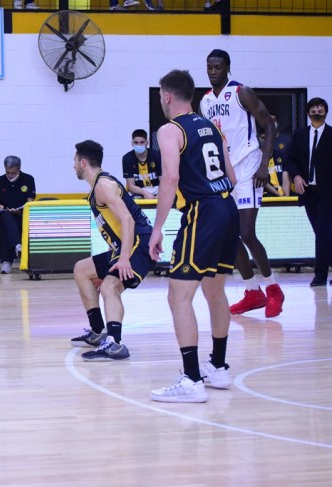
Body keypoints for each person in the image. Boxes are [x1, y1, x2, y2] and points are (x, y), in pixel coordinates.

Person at [149, 69, 238, 403]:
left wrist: (157, 228)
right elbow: (231, 176)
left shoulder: (170, 130)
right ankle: (218, 367)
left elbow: (170, 178)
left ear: (167, 96)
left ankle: (191, 380)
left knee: (178, 296)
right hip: (227, 207)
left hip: (203, 212)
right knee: (215, 291)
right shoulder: (212, 127)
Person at [200, 48, 284, 318]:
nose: (213, 71)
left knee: (246, 232)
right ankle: (252, 292)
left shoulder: (241, 92)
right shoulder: (205, 101)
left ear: (228, 68)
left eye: (218, 67)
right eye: (209, 67)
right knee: (229, 235)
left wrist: (264, 165)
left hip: (249, 166)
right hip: (225, 172)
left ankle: (273, 289)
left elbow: (269, 126)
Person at [69, 140, 154, 361]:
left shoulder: (103, 186)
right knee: (81, 270)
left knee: (109, 286)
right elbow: (116, 225)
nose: (73, 165)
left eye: (75, 161)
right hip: (125, 245)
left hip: (138, 244)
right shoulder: (98, 186)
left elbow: (128, 219)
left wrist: (124, 258)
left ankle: (115, 344)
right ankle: (98, 331)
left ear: (83, 162)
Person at [285, 97, 332, 287]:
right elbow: (290, 159)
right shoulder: (300, 135)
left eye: (320, 110)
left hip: (328, 192)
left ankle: (320, 275)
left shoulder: (331, 134)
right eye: (313, 111)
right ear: (308, 113)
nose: (317, 113)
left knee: (322, 232)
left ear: (326, 112)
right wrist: (296, 176)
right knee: (320, 232)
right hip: (308, 191)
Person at [0, 156, 36, 274]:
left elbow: (30, 202)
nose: (10, 175)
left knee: (11, 224)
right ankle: (17, 245)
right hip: (1, 215)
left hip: (20, 215)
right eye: (7, 172)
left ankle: (7, 262)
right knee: (6, 215)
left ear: (19, 169)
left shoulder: (28, 179)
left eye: (13, 173)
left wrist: (20, 210)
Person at [122, 129, 162, 199]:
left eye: (142, 142)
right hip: (139, 192)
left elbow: (164, 181)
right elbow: (131, 187)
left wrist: (162, 193)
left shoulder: (156, 156)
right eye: (136, 142)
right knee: (131, 201)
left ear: (147, 142)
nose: (139, 145)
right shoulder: (127, 158)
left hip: (158, 190)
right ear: (132, 143)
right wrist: (145, 193)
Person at [259, 127, 290, 197]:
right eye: (263, 138)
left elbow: (285, 179)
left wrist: (286, 197)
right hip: (265, 196)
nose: (265, 141)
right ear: (259, 139)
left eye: (268, 138)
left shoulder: (281, 156)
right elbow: (264, 183)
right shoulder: (256, 158)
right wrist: (279, 195)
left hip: (282, 194)